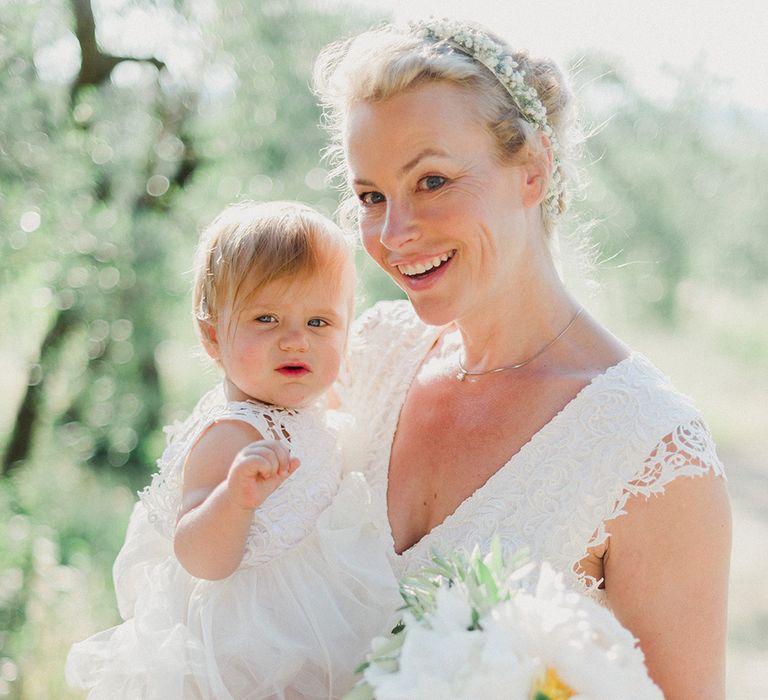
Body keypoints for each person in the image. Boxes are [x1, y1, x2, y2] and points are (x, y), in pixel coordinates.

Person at [314, 18, 731, 698]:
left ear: (532, 169)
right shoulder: (368, 358)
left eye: (433, 181)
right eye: (371, 197)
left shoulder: (652, 454)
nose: (393, 233)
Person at [66, 201, 399, 699]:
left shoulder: (298, 409)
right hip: (249, 652)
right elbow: (198, 556)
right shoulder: (233, 434)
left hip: (311, 633)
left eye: (319, 323)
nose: (295, 341)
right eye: (266, 318)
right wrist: (233, 499)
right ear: (211, 336)